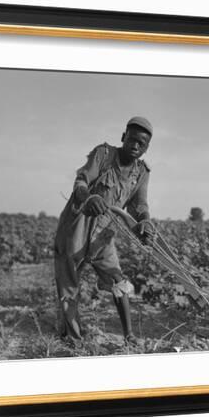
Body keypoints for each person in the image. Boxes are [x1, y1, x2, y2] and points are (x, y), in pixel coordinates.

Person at [54, 116, 155, 346]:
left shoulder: (142, 172)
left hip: (104, 233)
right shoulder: (103, 154)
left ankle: (129, 336)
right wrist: (89, 197)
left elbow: (139, 205)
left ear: (147, 148)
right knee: (69, 284)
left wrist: (145, 221)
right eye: (132, 140)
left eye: (142, 144)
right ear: (123, 137)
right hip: (77, 225)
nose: (136, 146)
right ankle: (72, 340)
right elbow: (81, 181)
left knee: (118, 280)